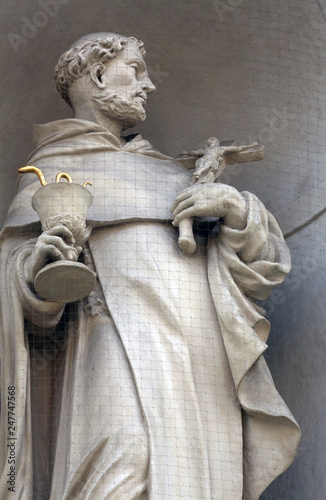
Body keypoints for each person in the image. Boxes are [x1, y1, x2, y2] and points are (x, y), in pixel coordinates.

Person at [0, 32, 300, 499]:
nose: (149, 85)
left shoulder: (172, 174)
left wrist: (238, 212)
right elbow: (16, 296)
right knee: (123, 463)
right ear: (98, 76)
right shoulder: (54, 169)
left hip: (198, 367)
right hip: (111, 346)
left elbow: (259, 274)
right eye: (135, 70)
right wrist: (35, 275)